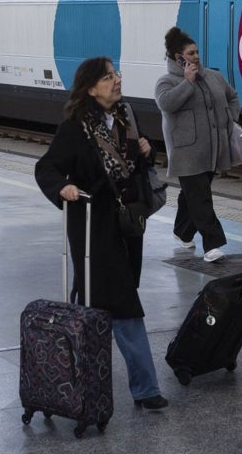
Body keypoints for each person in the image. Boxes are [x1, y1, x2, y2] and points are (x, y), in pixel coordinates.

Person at [35, 56, 169, 411]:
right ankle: (145, 388)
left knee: (96, 302)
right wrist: (62, 187)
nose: (117, 80)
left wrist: (147, 152)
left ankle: (73, 373)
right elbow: (46, 167)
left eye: (116, 74)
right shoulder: (75, 128)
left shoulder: (125, 118)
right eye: (108, 77)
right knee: (123, 303)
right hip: (93, 225)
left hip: (127, 224)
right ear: (91, 87)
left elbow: (134, 168)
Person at [154, 27, 239, 263]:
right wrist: (188, 83)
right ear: (177, 57)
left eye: (197, 52)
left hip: (212, 150)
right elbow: (166, 104)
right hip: (186, 152)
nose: (196, 57)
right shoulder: (167, 81)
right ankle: (213, 244)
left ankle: (182, 232)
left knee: (192, 195)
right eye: (190, 53)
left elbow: (232, 96)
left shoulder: (213, 76)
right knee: (200, 197)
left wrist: (230, 118)